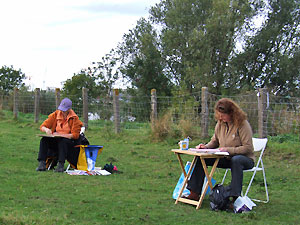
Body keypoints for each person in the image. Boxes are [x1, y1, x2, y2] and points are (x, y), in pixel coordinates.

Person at [186, 98, 255, 205]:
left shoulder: (242, 124)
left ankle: (234, 198)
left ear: (231, 113)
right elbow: (214, 141)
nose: (220, 118)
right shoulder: (220, 124)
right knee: (200, 158)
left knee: (236, 160)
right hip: (224, 158)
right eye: (219, 115)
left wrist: (229, 150)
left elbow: (248, 148)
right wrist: (205, 147)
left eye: (223, 115)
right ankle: (194, 193)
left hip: (244, 159)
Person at [36, 98, 83, 172]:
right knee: (44, 140)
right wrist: (46, 130)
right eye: (62, 109)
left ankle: (60, 165)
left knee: (63, 141)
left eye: (65, 110)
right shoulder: (55, 114)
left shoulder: (75, 119)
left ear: (69, 109)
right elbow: (42, 126)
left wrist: (61, 135)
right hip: (56, 139)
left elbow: (75, 135)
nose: (62, 111)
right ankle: (42, 163)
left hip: (69, 143)